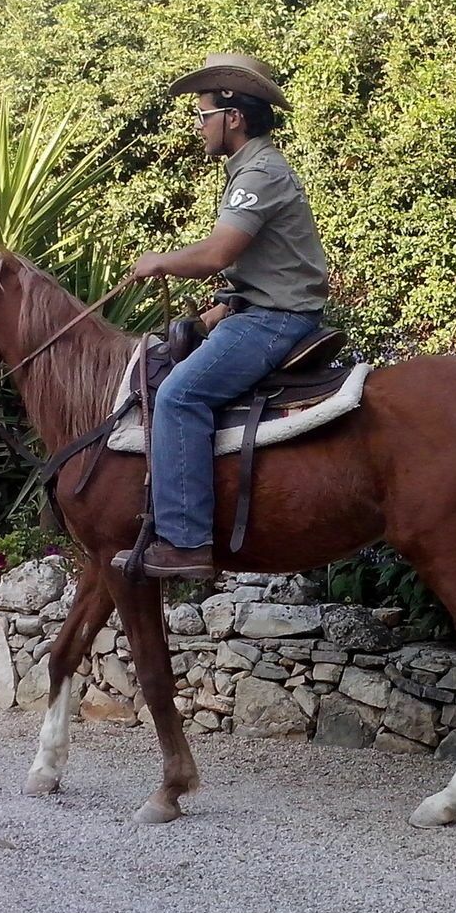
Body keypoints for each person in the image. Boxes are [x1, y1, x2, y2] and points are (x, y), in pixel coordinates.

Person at [111, 52, 331, 581]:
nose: (198, 126)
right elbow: (250, 268)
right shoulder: (248, 171)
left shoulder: (261, 171)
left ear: (233, 116)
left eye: (203, 115)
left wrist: (157, 261)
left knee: (180, 394)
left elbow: (218, 253)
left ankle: (186, 542)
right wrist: (218, 308)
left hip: (276, 320)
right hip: (255, 311)